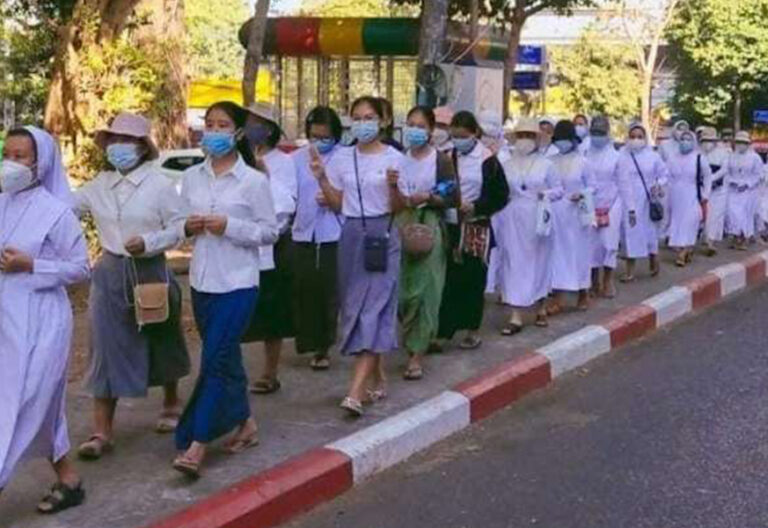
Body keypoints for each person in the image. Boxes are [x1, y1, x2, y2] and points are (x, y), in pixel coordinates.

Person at [75, 113, 190, 461]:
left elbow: (180, 225)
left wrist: (151, 241)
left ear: (142, 146)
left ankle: (171, 401)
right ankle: (101, 431)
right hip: (110, 271)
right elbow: (65, 209)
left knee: (161, 335)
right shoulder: (99, 184)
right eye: (112, 140)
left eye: (126, 140)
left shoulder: (159, 184)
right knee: (104, 344)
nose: (117, 147)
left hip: (150, 267)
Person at [172, 101, 278, 477]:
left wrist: (228, 225)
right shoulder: (194, 177)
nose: (214, 132)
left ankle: (197, 443)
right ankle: (246, 423)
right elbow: (179, 223)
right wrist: (190, 226)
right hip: (202, 281)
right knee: (226, 358)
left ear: (236, 134)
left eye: (222, 126)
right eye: (209, 125)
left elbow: (269, 231)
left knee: (214, 361)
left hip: (238, 283)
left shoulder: (254, 181)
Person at [0, 127, 89, 513]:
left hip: (43, 319)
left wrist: (31, 263)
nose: (12, 163)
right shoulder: (1, 202)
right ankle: (69, 479)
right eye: (8, 153)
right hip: (6, 313)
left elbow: (80, 269)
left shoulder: (57, 211)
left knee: (24, 401)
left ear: (41, 162)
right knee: (33, 404)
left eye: (22, 156)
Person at [313, 96, 406, 417]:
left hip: (382, 236)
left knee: (375, 306)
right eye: (357, 117)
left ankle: (354, 391)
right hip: (352, 236)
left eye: (369, 117)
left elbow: (399, 206)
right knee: (355, 307)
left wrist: (394, 188)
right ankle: (376, 372)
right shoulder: (341, 158)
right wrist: (321, 178)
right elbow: (338, 203)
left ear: (382, 121)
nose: (363, 123)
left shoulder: (394, 158)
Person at [435, 111, 509, 348]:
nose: (458, 140)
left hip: (476, 224)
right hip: (450, 223)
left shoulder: (488, 160)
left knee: (474, 277)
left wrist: (477, 206)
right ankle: (444, 330)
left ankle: (472, 328)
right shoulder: (447, 156)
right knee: (449, 278)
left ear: (474, 133)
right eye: (454, 135)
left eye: (462, 136)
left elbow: (500, 195)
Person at [240, 102, 298, 395]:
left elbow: (285, 204)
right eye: (249, 121)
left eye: (259, 122)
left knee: (271, 311)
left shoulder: (282, 162)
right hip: (237, 244)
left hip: (270, 246)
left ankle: (269, 371)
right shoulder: (238, 159)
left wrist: (265, 177)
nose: (253, 128)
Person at [398, 106, 458, 380]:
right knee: (403, 292)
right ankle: (408, 335)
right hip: (402, 224)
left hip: (431, 226)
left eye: (420, 125)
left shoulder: (441, 161)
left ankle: (416, 355)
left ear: (431, 130)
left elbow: (451, 196)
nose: (414, 130)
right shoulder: (399, 159)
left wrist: (428, 198)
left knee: (426, 292)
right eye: (410, 124)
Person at [289, 106, 344, 372]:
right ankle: (307, 340)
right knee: (304, 289)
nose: (319, 141)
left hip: (334, 232)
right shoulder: (297, 158)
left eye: (325, 137)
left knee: (328, 291)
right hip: (303, 232)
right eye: (314, 136)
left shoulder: (344, 157)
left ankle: (324, 345)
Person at [497, 118, 561, 335]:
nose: (525, 140)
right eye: (521, 135)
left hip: (538, 216)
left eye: (529, 136)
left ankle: (540, 306)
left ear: (537, 139)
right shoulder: (506, 165)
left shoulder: (547, 164)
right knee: (513, 262)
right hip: (512, 216)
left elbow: (559, 189)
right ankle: (515, 314)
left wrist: (546, 194)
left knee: (538, 261)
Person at [548, 120, 595, 313]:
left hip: (577, 215)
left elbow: (593, 186)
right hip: (556, 214)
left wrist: (582, 194)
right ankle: (557, 298)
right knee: (557, 255)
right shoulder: (550, 161)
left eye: (565, 139)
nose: (562, 143)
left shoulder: (583, 162)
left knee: (579, 254)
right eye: (559, 140)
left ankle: (583, 292)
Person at [586, 116, 635, 298]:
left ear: (608, 134)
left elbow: (624, 184)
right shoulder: (584, 154)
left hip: (612, 205)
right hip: (590, 204)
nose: (597, 137)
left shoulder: (617, 157)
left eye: (601, 133)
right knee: (591, 244)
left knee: (609, 244)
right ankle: (593, 281)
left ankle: (607, 280)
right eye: (594, 133)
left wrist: (630, 209)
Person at [619, 123, 668, 281]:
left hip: (647, 200)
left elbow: (664, 174)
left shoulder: (653, 156)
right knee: (629, 233)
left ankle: (653, 257)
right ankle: (629, 270)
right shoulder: (622, 154)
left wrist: (658, 185)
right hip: (626, 199)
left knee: (649, 232)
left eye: (639, 137)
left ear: (645, 138)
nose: (636, 140)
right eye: (632, 136)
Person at [665, 129, 712, 267]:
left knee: (690, 222)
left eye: (688, 139)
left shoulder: (699, 158)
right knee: (677, 224)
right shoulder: (672, 157)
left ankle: (683, 252)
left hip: (692, 194)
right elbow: (666, 175)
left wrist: (706, 194)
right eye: (682, 139)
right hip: (675, 195)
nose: (685, 142)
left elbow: (708, 176)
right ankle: (685, 249)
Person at [725, 131, 764, 251]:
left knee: (745, 215)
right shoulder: (731, 156)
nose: (741, 145)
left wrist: (747, 184)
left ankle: (743, 238)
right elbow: (726, 172)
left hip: (749, 191)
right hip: (733, 189)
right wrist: (732, 181)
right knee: (732, 214)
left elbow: (759, 175)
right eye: (739, 142)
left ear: (748, 144)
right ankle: (735, 235)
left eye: (743, 143)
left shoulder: (755, 157)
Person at [700, 127, 729, 256]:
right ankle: (705, 238)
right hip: (701, 189)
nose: (707, 143)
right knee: (703, 215)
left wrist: (710, 179)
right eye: (705, 140)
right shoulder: (698, 153)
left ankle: (711, 241)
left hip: (718, 189)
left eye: (710, 140)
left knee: (715, 215)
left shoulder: (723, 153)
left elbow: (724, 169)